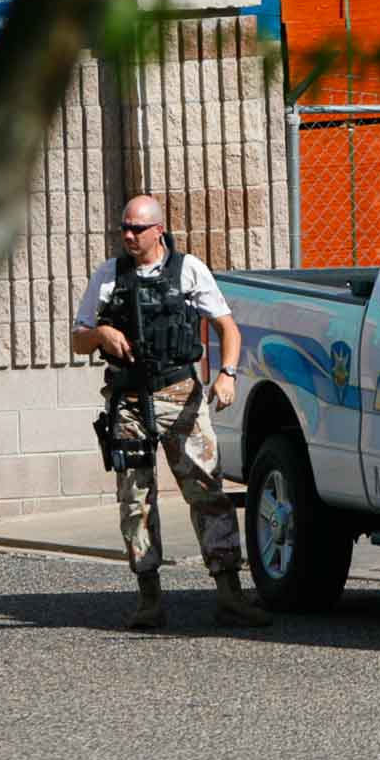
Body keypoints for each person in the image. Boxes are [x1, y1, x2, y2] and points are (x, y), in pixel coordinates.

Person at [71, 194, 271, 629]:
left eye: (137, 229)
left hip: (181, 395)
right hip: (128, 401)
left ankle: (229, 594)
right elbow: (78, 338)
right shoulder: (109, 276)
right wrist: (101, 333)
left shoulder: (189, 270)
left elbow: (227, 327)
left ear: (158, 230)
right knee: (136, 499)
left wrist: (227, 374)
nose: (128, 235)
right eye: (124, 227)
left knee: (208, 493)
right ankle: (149, 598)